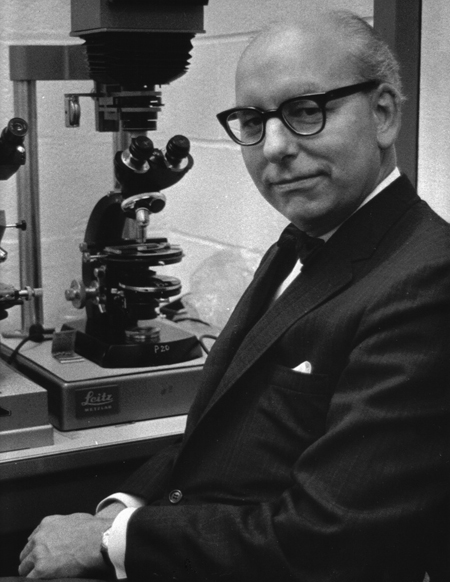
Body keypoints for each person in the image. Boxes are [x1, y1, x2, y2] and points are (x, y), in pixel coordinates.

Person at [16, 8, 450, 582]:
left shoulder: (426, 280)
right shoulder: (299, 245)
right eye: (252, 120)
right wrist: (122, 507)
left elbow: (331, 540)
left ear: (385, 114)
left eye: (305, 111)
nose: (274, 147)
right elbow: (218, 437)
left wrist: (113, 541)